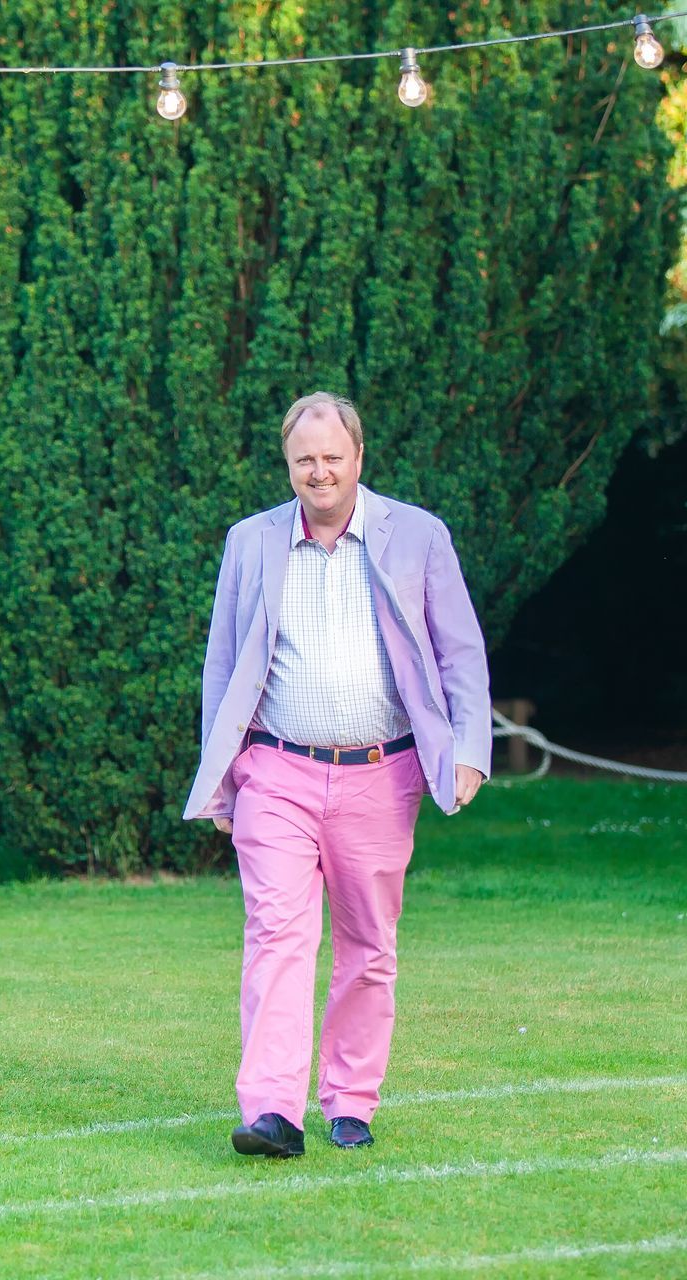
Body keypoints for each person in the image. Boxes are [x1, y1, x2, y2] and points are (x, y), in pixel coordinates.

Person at [183, 390, 493, 1158]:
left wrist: (467, 749)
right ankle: (272, 1112)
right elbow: (221, 665)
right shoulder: (250, 543)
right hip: (276, 771)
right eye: (304, 461)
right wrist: (219, 779)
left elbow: (461, 652)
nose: (319, 473)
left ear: (358, 458)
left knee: (368, 944)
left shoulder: (417, 536)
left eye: (332, 458)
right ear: (287, 466)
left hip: (381, 777)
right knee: (276, 937)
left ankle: (351, 1102)